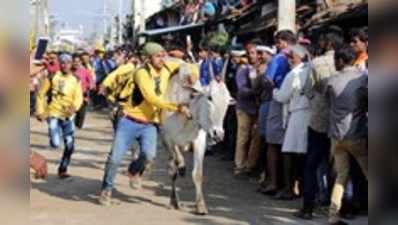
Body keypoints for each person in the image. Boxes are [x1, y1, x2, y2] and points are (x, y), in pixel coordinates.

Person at [99, 42, 194, 206]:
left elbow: (188, 66)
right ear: (148, 58)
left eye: (163, 55)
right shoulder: (141, 73)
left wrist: (193, 74)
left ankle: (134, 171)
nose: (162, 58)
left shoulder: (167, 68)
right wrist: (176, 107)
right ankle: (106, 189)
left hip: (149, 124)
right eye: (158, 56)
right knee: (115, 158)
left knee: (149, 156)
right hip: (128, 121)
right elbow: (151, 97)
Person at [295, 31, 343, 220]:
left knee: (312, 164)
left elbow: (307, 90)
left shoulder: (316, 63)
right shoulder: (348, 62)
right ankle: (334, 206)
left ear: (328, 42)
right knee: (338, 166)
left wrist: (318, 98)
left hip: (318, 120)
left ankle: (308, 207)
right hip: (340, 122)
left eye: (322, 40)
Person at [324, 47, 368, 225]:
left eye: (335, 59)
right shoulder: (362, 78)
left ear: (341, 61)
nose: (334, 63)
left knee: (341, 176)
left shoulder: (331, 81)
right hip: (356, 133)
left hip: (336, 135)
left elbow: (329, 103)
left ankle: (333, 216)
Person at [272, 45, 311, 200]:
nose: (289, 60)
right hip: (309, 113)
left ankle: (289, 189)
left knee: (289, 151)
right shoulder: (309, 69)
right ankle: (301, 188)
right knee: (303, 153)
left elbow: (282, 97)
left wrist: (274, 91)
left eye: (292, 56)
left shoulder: (293, 74)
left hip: (298, 114)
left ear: (300, 57)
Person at [36, 53, 84, 179]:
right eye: (62, 62)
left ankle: (63, 169)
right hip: (53, 113)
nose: (65, 65)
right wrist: (40, 111)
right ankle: (52, 137)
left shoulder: (76, 79)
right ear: (59, 64)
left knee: (69, 145)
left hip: (68, 116)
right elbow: (41, 94)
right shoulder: (52, 77)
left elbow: (79, 97)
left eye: (68, 62)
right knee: (56, 143)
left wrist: (74, 108)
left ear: (71, 64)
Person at [261, 30, 297, 196]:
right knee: (286, 145)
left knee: (272, 144)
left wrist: (273, 90)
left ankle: (274, 182)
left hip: (278, 100)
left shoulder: (278, 58)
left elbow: (268, 80)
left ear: (283, 42)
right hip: (294, 104)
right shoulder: (299, 59)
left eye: (278, 42)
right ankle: (286, 184)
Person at [234, 42, 261, 177]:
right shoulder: (243, 69)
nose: (252, 56)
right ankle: (239, 165)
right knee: (243, 137)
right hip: (244, 107)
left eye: (254, 53)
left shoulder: (261, 68)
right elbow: (242, 89)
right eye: (250, 53)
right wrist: (255, 91)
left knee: (256, 138)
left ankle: (250, 165)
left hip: (256, 108)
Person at [72, 54, 94, 129]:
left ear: (80, 62)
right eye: (74, 61)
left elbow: (91, 81)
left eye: (77, 61)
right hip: (71, 94)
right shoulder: (69, 71)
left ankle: (78, 126)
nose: (76, 63)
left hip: (82, 94)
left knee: (81, 113)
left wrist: (90, 86)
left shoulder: (85, 71)